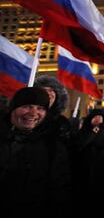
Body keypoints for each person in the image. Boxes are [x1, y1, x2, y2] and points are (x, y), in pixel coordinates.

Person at [0, 87, 72, 217]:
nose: (33, 113)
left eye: (41, 108)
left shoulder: (53, 147)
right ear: (13, 108)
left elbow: (59, 191)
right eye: (27, 106)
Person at [33, 75, 74, 144]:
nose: (48, 93)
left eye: (51, 90)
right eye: (44, 90)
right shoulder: (29, 117)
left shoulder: (62, 122)